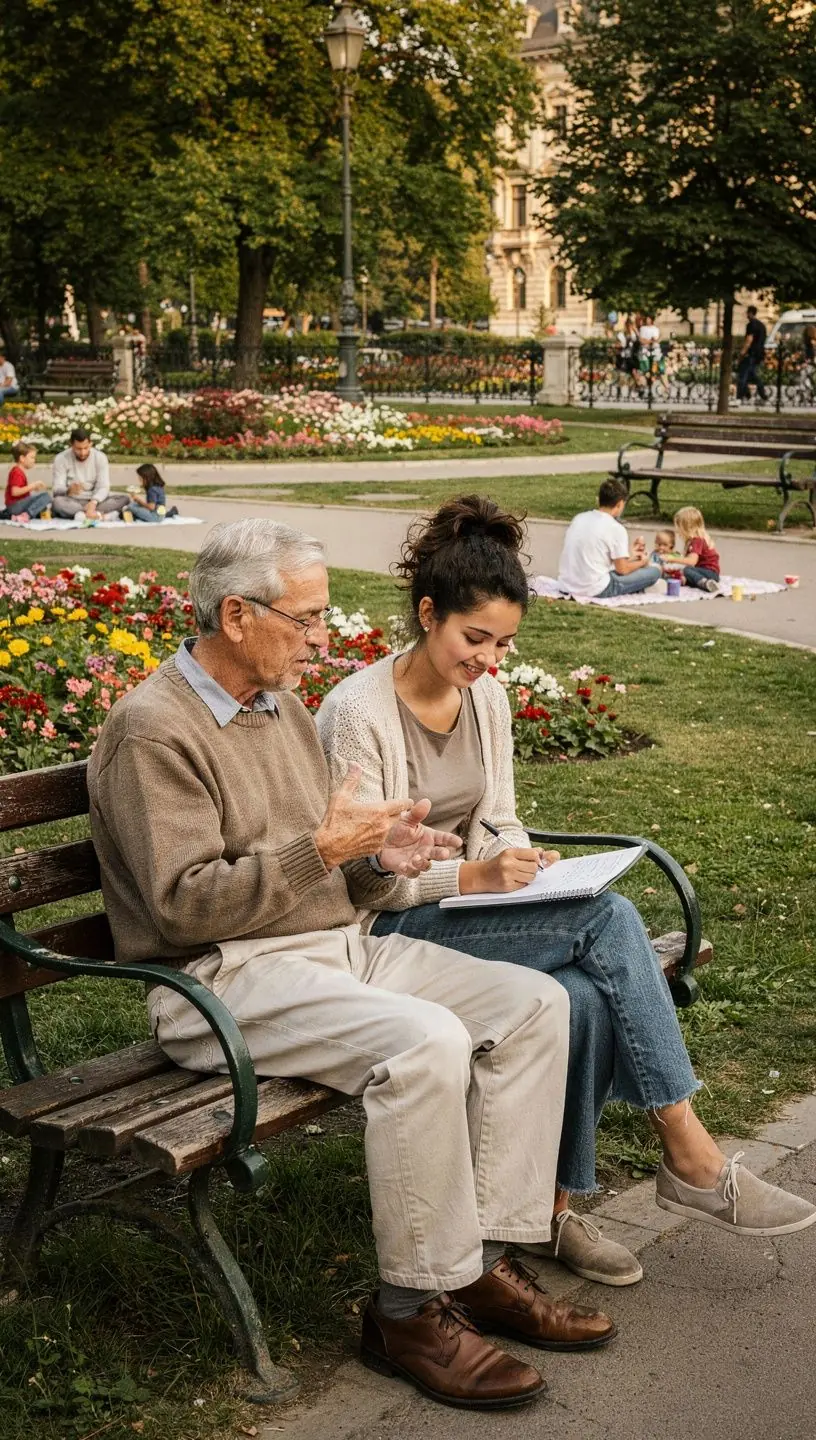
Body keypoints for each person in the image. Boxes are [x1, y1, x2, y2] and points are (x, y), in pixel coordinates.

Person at [87, 516, 615, 1412]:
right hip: (218, 980)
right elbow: (182, 906)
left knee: (534, 1008)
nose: (325, 640)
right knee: (424, 1046)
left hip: (331, 952)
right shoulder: (152, 731)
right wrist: (327, 854)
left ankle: (478, 1265)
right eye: (309, 620)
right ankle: (409, 1311)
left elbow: (330, 871)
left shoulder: (279, 707)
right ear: (237, 615)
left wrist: (380, 861)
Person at [317, 495, 816, 1290]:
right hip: (383, 940)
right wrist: (475, 877)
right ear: (426, 614)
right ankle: (689, 1151)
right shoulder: (358, 713)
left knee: (583, 992)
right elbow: (361, 881)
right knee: (611, 919)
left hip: (469, 914)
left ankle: (549, 1211)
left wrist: (521, 862)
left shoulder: (485, 695)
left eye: (505, 643)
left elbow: (501, 817)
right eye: (474, 638)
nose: (490, 659)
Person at [557, 478, 661, 599]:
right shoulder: (616, 528)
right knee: (655, 572)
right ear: (620, 504)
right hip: (596, 589)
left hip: (566, 585)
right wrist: (642, 562)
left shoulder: (579, 518)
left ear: (599, 499)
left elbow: (595, 555)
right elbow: (622, 569)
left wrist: (631, 555)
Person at [52, 428, 129, 520]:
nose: (82, 453)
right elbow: (57, 489)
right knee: (57, 503)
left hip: (96, 501)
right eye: (78, 449)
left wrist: (93, 502)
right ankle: (98, 516)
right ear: (71, 445)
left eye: (86, 448)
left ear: (90, 444)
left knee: (124, 499)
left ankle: (81, 515)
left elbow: (103, 486)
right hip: (72, 501)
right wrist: (68, 490)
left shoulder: (100, 457)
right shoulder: (61, 458)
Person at [673, 506, 720, 592]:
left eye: (679, 527)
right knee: (681, 573)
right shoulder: (694, 540)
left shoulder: (697, 540)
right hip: (703, 571)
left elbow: (692, 561)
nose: (677, 530)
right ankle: (688, 581)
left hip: (710, 573)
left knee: (687, 570)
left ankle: (705, 583)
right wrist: (678, 555)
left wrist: (673, 559)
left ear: (687, 527)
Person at [1, 441, 51, 521]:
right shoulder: (17, 472)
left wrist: (32, 488)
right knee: (45, 496)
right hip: (14, 507)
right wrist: (33, 485)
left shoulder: (18, 471)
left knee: (41, 505)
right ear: (22, 458)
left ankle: (21, 515)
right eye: (32, 457)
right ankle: (26, 515)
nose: (34, 460)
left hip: (17, 506)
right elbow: (15, 492)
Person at [736, 306, 769, 403]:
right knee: (751, 375)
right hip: (759, 354)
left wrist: (742, 353)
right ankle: (753, 395)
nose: (746, 315)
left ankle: (740, 397)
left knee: (743, 375)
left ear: (750, 313)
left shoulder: (751, 325)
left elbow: (749, 340)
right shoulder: (762, 325)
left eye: (747, 312)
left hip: (750, 354)